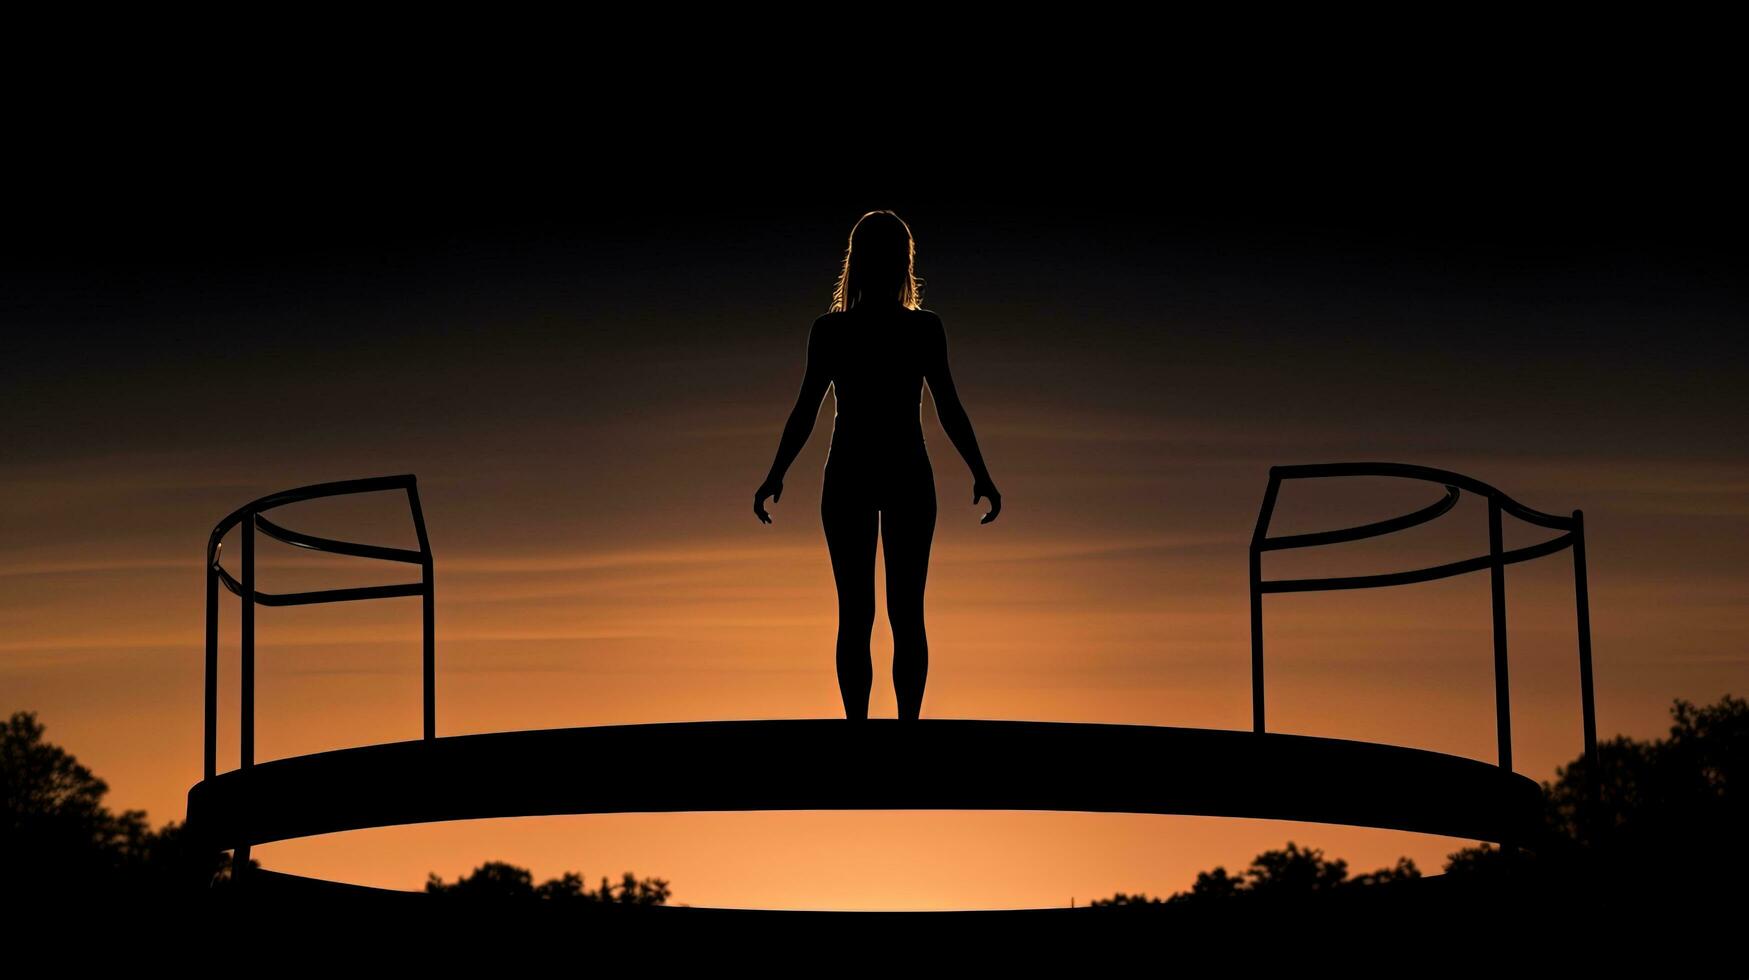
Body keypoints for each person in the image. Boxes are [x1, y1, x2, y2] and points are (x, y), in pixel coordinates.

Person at [754, 210, 1001, 721]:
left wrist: (981, 470)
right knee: (896, 613)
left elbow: (946, 407)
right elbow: (808, 409)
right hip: (893, 473)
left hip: (860, 473)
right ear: (902, 264)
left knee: (868, 614)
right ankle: (887, 730)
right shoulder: (907, 330)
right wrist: (776, 472)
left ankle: (869, 732)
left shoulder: (844, 332)